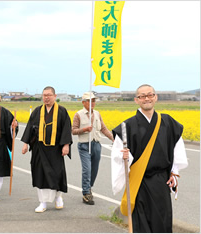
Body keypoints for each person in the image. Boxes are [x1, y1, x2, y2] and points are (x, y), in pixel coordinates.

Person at [111, 84, 188, 232]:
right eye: (142, 96)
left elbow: (177, 148)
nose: (147, 98)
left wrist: (174, 172)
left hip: (162, 182)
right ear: (136, 100)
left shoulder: (169, 123)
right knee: (142, 223)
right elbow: (117, 155)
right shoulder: (127, 125)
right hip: (140, 182)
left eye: (150, 95)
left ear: (155, 97)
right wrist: (123, 156)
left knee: (162, 221)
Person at [21, 86, 72, 213]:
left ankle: (58, 197)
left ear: (55, 96)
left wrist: (66, 145)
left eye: (49, 95)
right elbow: (29, 128)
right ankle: (42, 202)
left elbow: (66, 129)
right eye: (44, 95)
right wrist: (25, 143)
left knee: (57, 174)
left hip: (55, 149)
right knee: (40, 174)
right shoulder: (37, 111)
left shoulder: (62, 111)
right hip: (40, 149)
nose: (46, 97)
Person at [72, 92, 114, 205]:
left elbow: (103, 128)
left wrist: (113, 139)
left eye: (94, 101)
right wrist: (84, 129)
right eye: (90, 101)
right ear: (84, 102)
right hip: (84, 145)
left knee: (94, 170)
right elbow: (73, 130)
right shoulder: (78, 114)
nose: (93, 103)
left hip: (96, 144)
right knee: (87, 169)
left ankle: (89, 187)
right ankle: (86, 193)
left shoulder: (97, 114)